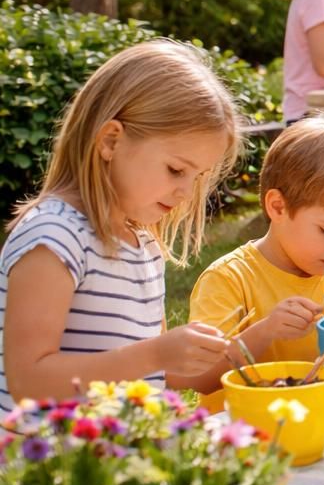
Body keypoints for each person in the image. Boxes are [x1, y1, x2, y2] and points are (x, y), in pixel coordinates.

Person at [0, 41, 242, 409]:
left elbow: (171, 373)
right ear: (111, 140)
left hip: (120, 459)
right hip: (54, 464)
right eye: (176, 170)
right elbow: (29, 380)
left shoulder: (141, 245)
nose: (186, 192)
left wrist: (263, 336)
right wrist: (155, 355)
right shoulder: (54, 236)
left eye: (198, 176)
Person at [187, 116, 324, 410]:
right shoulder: (229, 279)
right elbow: (199, 378)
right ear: (278, 207)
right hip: (243, 438)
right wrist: (264, 331)